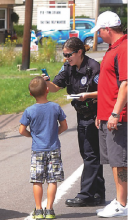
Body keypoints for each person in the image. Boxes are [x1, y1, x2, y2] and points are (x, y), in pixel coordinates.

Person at [42, 37, 105, 207]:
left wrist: (87, 96)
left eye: (68, 54)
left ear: (79, 52)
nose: (66, 58)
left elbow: (104, 92)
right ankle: (98, 193)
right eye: (64, 55)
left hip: (94, 114)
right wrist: (47, 81)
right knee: (89, 155)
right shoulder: (68, 67)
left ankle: (86, 195)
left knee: (91, 155)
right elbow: (55, 87)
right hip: (81, 115)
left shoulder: (93, 67)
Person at [90, 11, 127, 218]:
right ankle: (120, 200)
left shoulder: (123, 48)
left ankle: (122, 203)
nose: (99, 36)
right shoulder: (114, 48)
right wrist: (101, 112)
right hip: (107, 114)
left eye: (100, 32)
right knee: (113, 160)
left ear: (107, 29)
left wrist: (114, 113)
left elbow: (126, 84)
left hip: (118, 116)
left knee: (120, 160)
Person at [19, 76, 68, 219]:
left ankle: (39, 210)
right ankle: (50, 210)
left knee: (37, 180)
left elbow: (21, 130)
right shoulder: (56, 107)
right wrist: (55, 132)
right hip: (54, 149)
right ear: (47, 90)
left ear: (30, 94)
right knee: (52, 180)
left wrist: (31, 135)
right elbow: (64, 126)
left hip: (37, 150)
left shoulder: (29, 111)